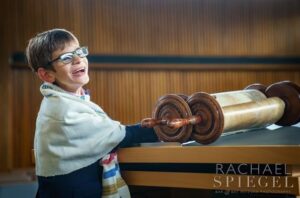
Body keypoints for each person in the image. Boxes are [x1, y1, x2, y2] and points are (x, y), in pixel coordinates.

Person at [26, 28, 158, 198]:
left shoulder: (70, 99)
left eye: (79, 52)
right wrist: (160, 130)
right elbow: (116, 135)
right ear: (47, 74)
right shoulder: (62, 109)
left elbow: (102, 133)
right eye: (66, 58)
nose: (78, 59)